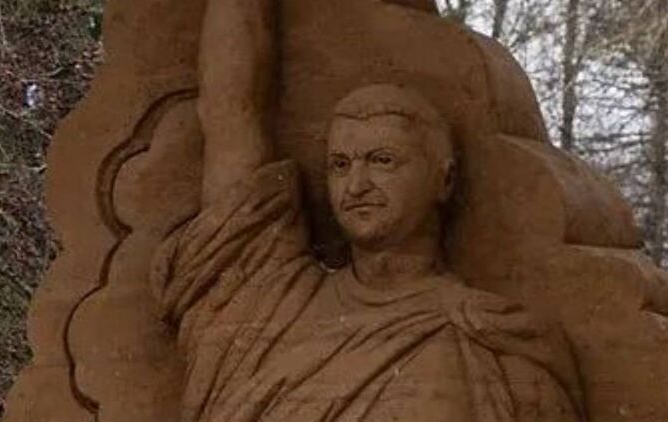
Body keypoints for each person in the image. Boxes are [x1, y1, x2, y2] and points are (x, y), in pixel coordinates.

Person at [150, 1, 585, 421]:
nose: (356, 185)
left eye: (382, 161)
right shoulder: (270, 306)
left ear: (445, 179)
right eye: (340, 165)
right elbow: (231, 109)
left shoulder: (497, 346)